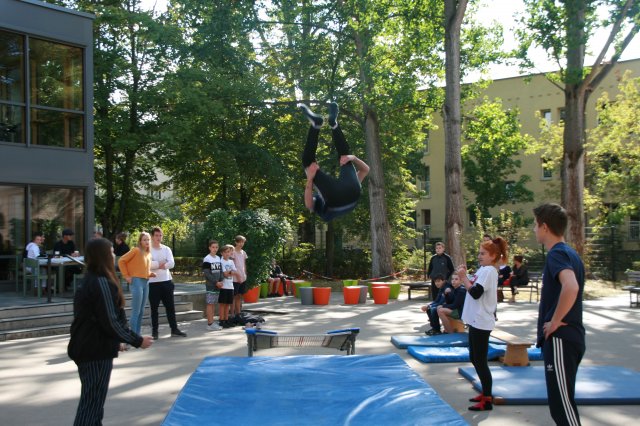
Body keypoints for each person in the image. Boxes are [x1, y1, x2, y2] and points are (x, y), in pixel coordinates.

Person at [68, 237, 153, 426]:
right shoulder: (100, 283)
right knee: (91, 404)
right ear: (103, 255)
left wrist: (116, 342)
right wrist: (137, 340)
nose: (114, 254)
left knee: (94, 403)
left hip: (90, 347)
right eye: (112, 251)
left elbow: (100, 319)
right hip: (94, 351)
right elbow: (110, 321)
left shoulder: (90, 281)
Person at [533, 203, 585, 426]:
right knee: (560, 406)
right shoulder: (570, 253)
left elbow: (571, 287)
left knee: (563, 409)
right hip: (568, 338)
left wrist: (554, 321)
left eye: (535, 225)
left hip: (562, 339)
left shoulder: (557, 254)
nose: (534, 230)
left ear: (545, 227)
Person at [457, 236, 507, 411]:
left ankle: (487, 399)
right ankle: (485, 392)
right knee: (475, 358)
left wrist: (463, 278)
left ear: (493, 256)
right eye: (479, 253)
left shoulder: (489, 271)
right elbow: (474, 285)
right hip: (476, 319)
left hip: (481, 321)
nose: (479, 256)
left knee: (480, 360)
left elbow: (476, 292)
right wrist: (466, 277)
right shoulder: (484, 269)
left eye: (483, 253)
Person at [300, 102, 370, 222]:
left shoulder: (350, 186)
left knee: (345, 157)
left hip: (354, 194)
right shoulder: (322, 211)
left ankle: (333, 123)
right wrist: (310, 178)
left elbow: (365, 170)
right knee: (308, 162)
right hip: (336, 201)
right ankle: (317, 124)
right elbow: (309, 204)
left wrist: (352, 158)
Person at [148, 227, 186, 339]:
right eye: (156, 235)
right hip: (153, 283)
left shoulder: (166, 249)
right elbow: (148, 265)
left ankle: (174, 329)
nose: (159, 238)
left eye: (160, 235)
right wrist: (161, 263)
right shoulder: (148, 250)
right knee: (154, 309)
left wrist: (157, 264)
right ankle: (155, 332)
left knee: (170, 307)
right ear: (152, 236)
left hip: (167, 282)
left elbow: (172, 263)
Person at [118, 232, 155, 335]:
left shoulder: (149, 254)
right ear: (140, 241)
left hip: (146, 282)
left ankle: (137, 335)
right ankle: (133, 336)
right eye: (144, 240)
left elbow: (142, 269)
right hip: (136, 282)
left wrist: (150, 274)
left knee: (141, 311)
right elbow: (121, 261)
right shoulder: (136, 250)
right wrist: (126, 276)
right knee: (136, 311)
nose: (147, 241)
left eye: (148, 240)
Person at [202, 240, 223, 331]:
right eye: (213, 247)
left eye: (216, 247)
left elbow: (220, 271)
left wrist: (221, 281)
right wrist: (216, 282)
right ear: (209, 248)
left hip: (218, 285)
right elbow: (207, 273)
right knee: (210, 304)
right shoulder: (207, 259)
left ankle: (212, 322)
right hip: (211, 285)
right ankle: (209, 324)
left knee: (213, 304)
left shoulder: (218, 258)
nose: (215, 249)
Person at [219, 244, 238, 328]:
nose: (227, 254)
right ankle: (221, 320)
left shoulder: (231, 261)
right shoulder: (221, 262)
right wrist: (231, 272)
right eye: (225, 252)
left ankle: (226, 320)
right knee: (222, 304)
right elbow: (225, 274)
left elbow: (235, 272)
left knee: (228, 304)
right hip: (223, 286)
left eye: (229, 252)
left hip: (230, 286)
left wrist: (229, 272)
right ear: (222, 253)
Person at [231, 235, 248, 322]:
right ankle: (232, 314)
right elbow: (232, 265)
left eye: (243, 242)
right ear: (236, 242)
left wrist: (244, 274)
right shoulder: (232, 252)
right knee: (234, 296)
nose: (241, 244)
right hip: (235, 277)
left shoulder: (243, 252)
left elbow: (244, 264)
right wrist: (237, 275)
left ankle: (238, 313)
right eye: (240, 242)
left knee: (239, 295)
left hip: (242, 277)